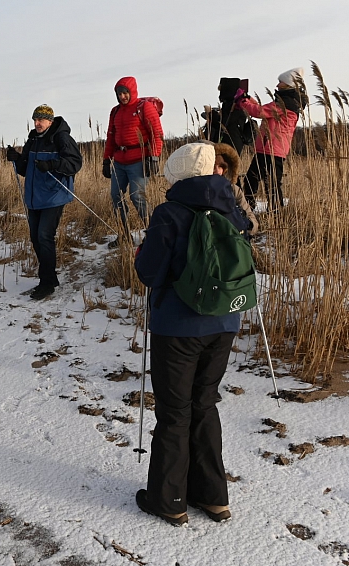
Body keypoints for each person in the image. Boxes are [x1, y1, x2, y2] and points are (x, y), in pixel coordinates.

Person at [133, 142, 249, 526]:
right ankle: (212, 497)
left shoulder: (169, 212)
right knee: (205, 404)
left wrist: (141, 251)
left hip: (178, 326)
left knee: (174, 412)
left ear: (179, 172)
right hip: (224, 322)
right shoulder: (232, 208)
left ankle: (169, 500)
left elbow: (150, 272)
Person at [10, 104, 83, 300]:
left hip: (54, 195)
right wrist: (16, 159)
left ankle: (47, 283)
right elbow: (25, 169)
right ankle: (50, 277)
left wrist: (52, 164)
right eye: (35, 120)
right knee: (35, 237)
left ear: (50, 121)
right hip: (34, 197)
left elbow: (75, 163)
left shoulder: (61, 138)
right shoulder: (33, 139)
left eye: (41, 120)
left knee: (44, 236)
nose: (37, 123)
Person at [238, 68, 306, 212]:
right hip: (269, 149)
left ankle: (262, 210)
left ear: (289, 85)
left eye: (280, 82)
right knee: (258, 181)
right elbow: (263, 109)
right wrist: (247, 99)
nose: (277, 85)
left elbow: (259, 112)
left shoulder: (285, 104)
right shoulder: (286, 102)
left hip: (272, 149)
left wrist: (242, 101)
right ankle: (257, 209)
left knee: (267, 183)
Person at [102, 77, 164, 237]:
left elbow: (156, 134)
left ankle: (154, 234)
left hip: (139, 161)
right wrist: (106, 160)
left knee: (137, 196)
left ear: (132, 91)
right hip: (119, 162)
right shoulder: (115, 111)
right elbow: (111, 136)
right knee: (116, 196)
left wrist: (154, 157)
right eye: (119, 94)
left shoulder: (144, 107)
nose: (122, 96)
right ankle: (124, 235)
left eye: (125, 93)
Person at [201, 78, 256, 156]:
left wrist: (211, 113)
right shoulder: (232, 103)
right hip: (231, 141)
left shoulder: (237, 105)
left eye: (221, 90)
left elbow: (225, 124)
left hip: (231, 143)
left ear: (227, 90)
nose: (220, 93)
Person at [213, 142, 258, 235]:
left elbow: (253, 223)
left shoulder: (233, 190)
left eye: (221, 166)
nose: (217, 171)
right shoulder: (192, 192)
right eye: (213, 166)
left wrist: (243, 220)